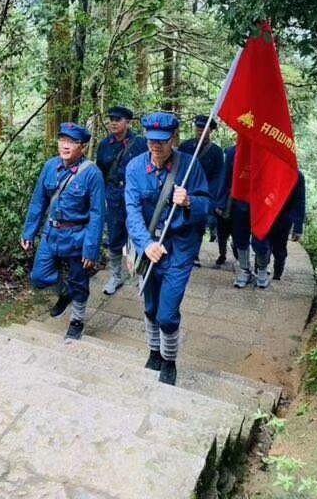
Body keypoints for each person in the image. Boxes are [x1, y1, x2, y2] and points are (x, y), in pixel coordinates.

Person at [125, 112, 209, 386]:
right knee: (150, 305)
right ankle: (154, 351)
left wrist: (188, 203)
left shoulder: (190, 166)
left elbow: (206, 208)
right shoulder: (135, 168)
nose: (156, 146)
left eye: (162, 141)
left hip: (179, 247)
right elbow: (132, 211)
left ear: (174, 138)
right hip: (149, 245)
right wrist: (145, 244)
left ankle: (170, 360)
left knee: (167, 313)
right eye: (151, 141)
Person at [20, 122, 105, 341]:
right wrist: (29, 232)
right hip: (52, 233)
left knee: (79, 280)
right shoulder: (50, 166)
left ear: (83, 147)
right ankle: (63, 292)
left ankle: (76, 320)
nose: (65, 146)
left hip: (78, 236)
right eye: (62, 140)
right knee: (39, 276)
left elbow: (97, 213)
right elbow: (38, 201)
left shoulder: (92, 174)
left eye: (72, 142)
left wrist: (91, 249)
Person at [95, 106, 147, 295]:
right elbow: (100, 173)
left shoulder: (140, 143)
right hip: (114, 196)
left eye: (119, 119)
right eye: (111, 119)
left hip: (136, 196)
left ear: (128, 122)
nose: (114, 122)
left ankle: (142, 276)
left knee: (139, 234)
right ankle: (116, 275)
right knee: (115, 236)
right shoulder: (104, 145)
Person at [218, 143, 272, 289]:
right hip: (239, 203)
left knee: (260, 240)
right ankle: (244, 269)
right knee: (240, 238)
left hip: (261, 205)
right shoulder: (232, 152)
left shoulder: (268, 151)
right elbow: (225, 179)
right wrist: (221, 203)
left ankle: (261, 270)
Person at [179, 115, 224, 267]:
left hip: (202, 194)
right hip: (185, 191)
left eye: (203, 129)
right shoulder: (185, 146)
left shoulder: (216, 152)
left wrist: (210, 197)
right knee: (182, 223)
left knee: (198, 225)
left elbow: (218, 176)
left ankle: (195, 255)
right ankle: (184, 252)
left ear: (210, 131)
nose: (199, 131)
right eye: (198, 128)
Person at [267, 171, 306, 280]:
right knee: (264, 244)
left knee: (279, 248)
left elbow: (300, 201)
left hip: (284, 218)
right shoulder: (270, 168)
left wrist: (298, 227)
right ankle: (261, 269)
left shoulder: (297, 175)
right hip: (267, 214)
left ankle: (277, 274)